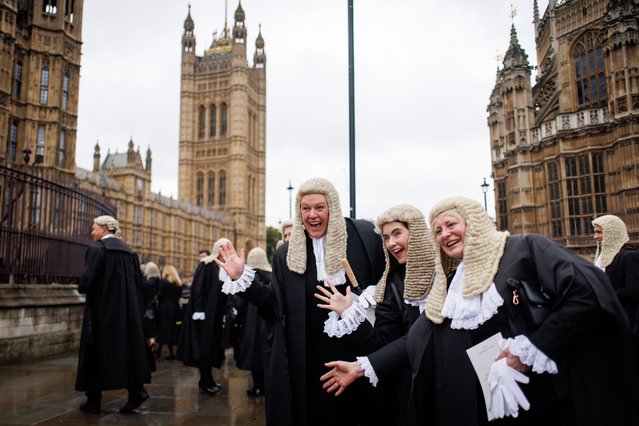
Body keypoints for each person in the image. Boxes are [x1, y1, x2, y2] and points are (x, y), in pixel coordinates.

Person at [400, 196, 637, 425]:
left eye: (451, 224)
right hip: (494, 405)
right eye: (438, 231)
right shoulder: (454, 282)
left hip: (544, 399)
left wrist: (531, 349)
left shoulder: (524, 248)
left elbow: (586, 292)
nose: (445, 234)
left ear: (474, 223)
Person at [216, 177, 385, 426]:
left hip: (354, 359)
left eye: (319, 207)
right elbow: (273, 304)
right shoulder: (286, 254)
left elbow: (385, 285)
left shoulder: (362, 240)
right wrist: (243, 278)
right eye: (306, 209)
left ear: (333, 208)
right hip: (307, 363)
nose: (312, 215)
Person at [317, 204, 436, 425]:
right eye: (386, 237)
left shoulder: (447, 273)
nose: (391, 243)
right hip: (412, 391)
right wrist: (350, 312)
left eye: (397, 233)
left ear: (416, 231)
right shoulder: (389, 286)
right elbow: (382, 343)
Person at [75, 215, 151, 414]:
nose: (92, 232)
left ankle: (93, 401)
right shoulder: (129, 252)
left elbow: (86, 282)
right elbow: (140, 285)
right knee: (127, 351)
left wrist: (82, 284)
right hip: (127, 313)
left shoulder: (97, 250)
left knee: (94, 352)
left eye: (94, 228)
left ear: (104, 229)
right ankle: (136, 391)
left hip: (101, 312)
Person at [176, 238, 229, 395]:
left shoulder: (224, 268)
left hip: (216, 317)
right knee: (204, 349)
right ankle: (205, 382)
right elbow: (198, 289)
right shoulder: (206, 264)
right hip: (204, 316)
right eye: (223, 249)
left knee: (212, 349)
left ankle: (208, 379)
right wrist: (199, 311)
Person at [592, 214, 639, 365]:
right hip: (609, 320)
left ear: (612, 233)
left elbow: (632, 292)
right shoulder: (602, 257)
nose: (595, 236)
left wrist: (603, 296)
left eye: (599, 232)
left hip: (626, 322)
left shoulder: (628, 256)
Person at [231, 247, 272, 396]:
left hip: (249, 323)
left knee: (253, 354)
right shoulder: (271, 276)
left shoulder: (248, 276)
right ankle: (266, 385)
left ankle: (257, 386)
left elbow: (238, 301)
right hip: (266, 321)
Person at [156, 264, 183, 360]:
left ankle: (170, 353)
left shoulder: (163, 282)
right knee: (170, 330)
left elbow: (160, 295)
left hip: (165, 309)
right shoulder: (178, 284)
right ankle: (159, 350)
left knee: (164, 330)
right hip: (175, 309)